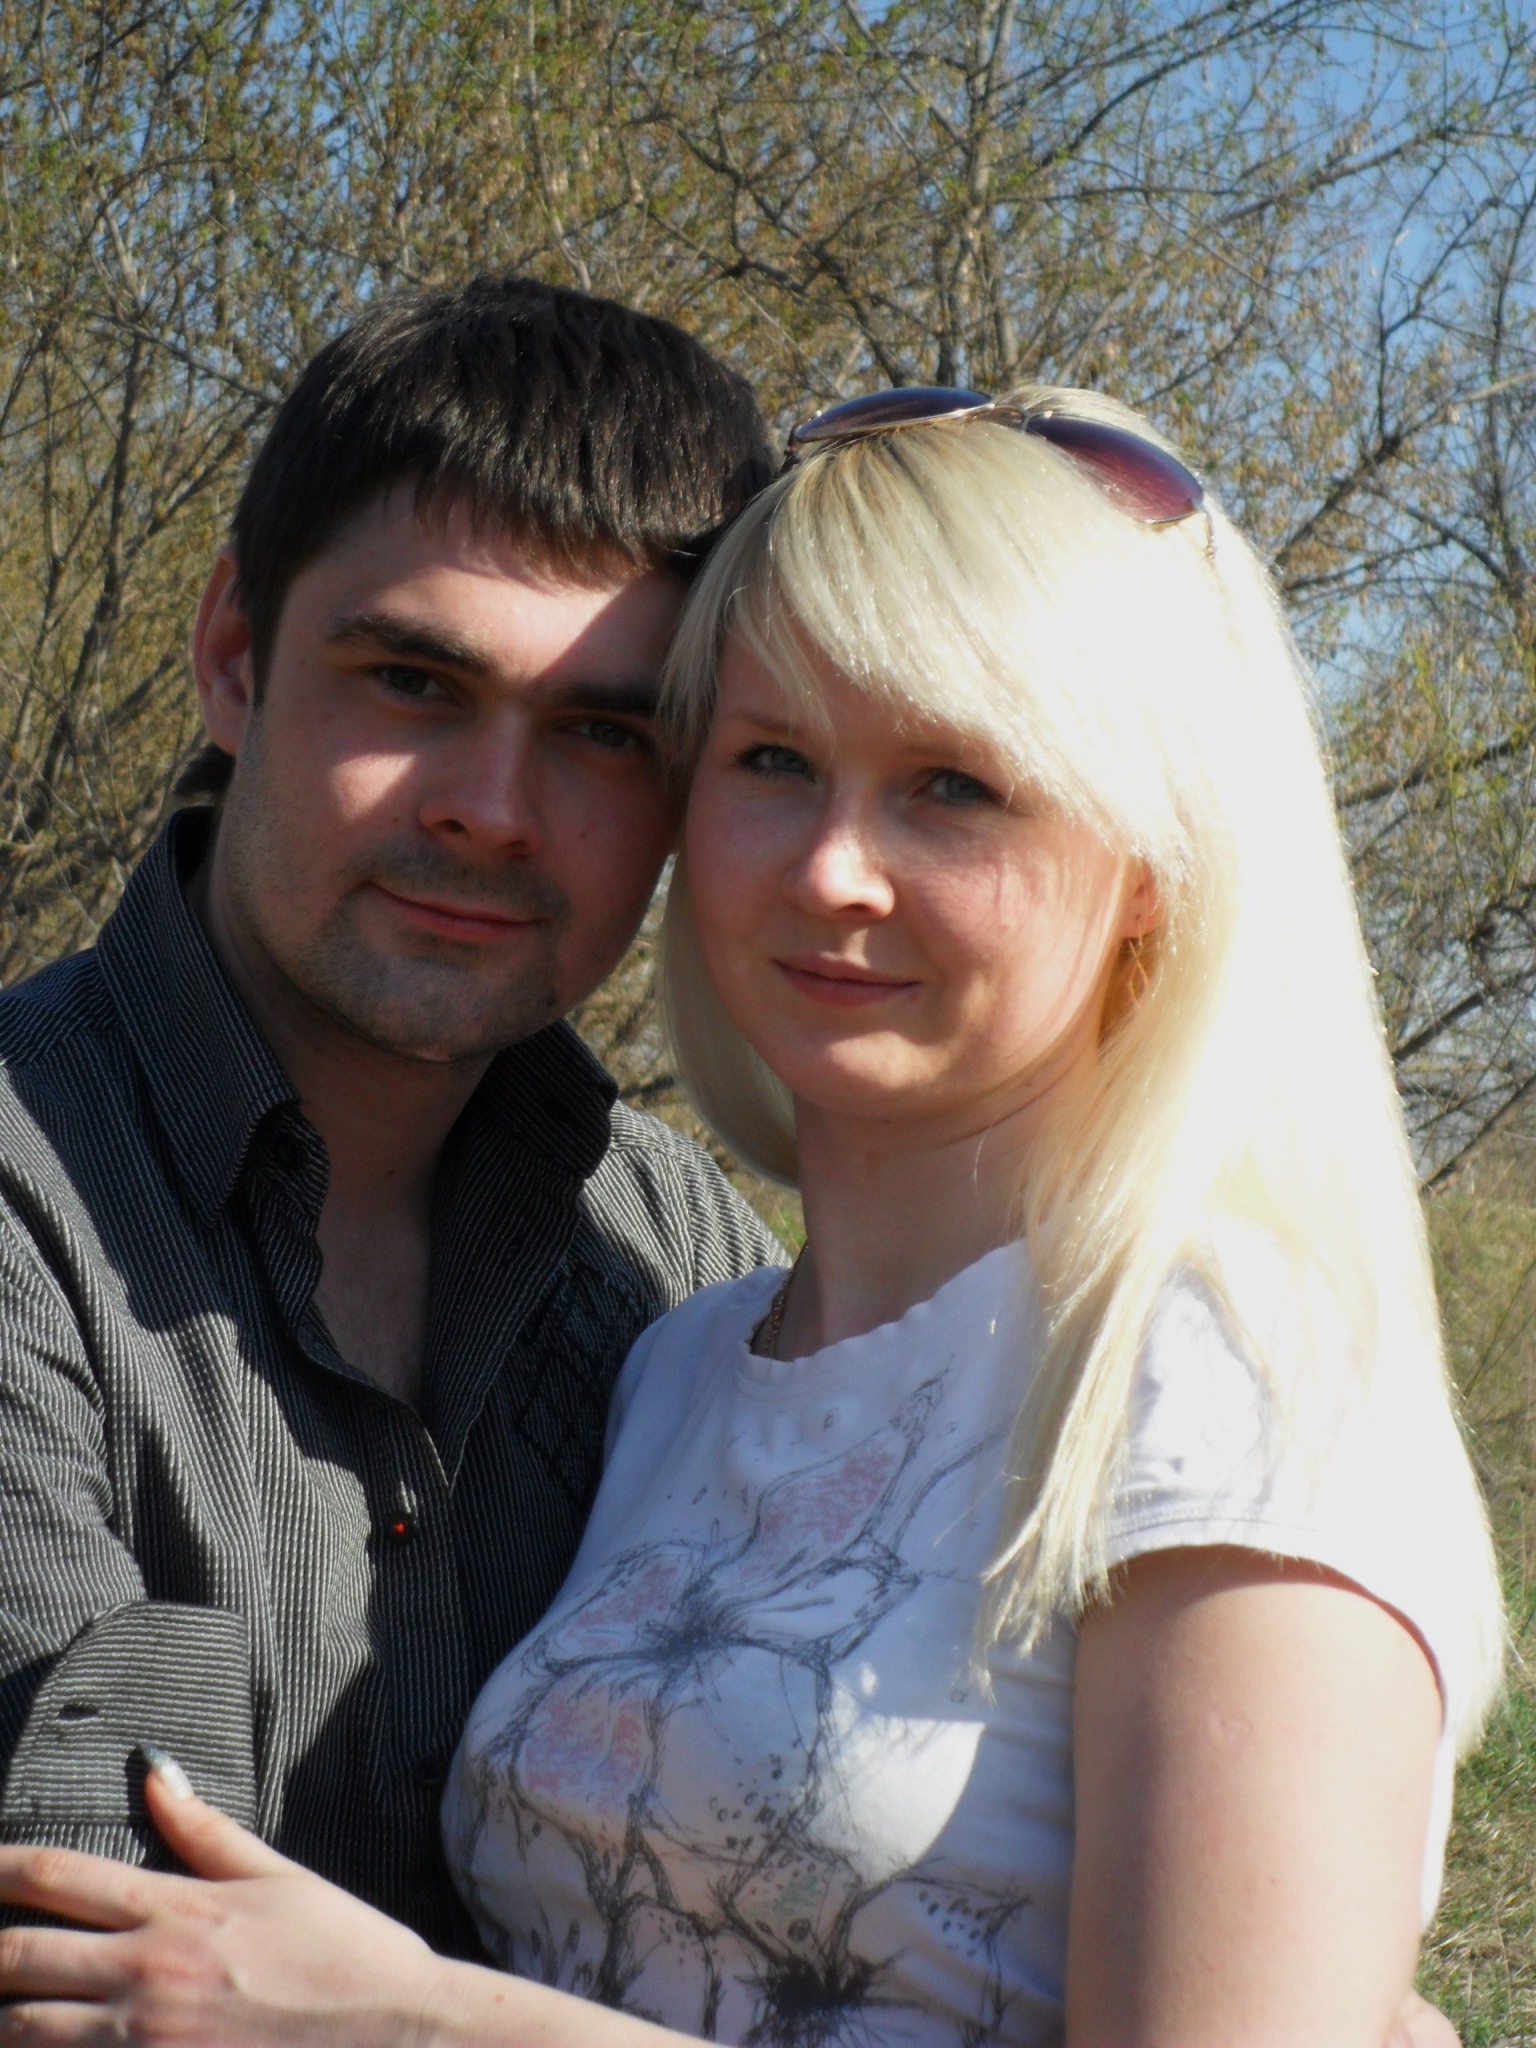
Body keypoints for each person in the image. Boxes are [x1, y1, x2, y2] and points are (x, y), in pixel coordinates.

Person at [0, 387, 1495, 2047]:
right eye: (773, 760)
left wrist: (421, 2025)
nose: (832, 869)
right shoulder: (678, 1345)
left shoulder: (1219, 1380)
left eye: (955, 785)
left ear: (1152, 861)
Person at [0, 273, 781, 1956]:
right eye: (414, 682)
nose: (494, 812)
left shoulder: (686, 1262)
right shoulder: (20, 1199)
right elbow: (80, 1986)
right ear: (234, 656)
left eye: (604, 731)